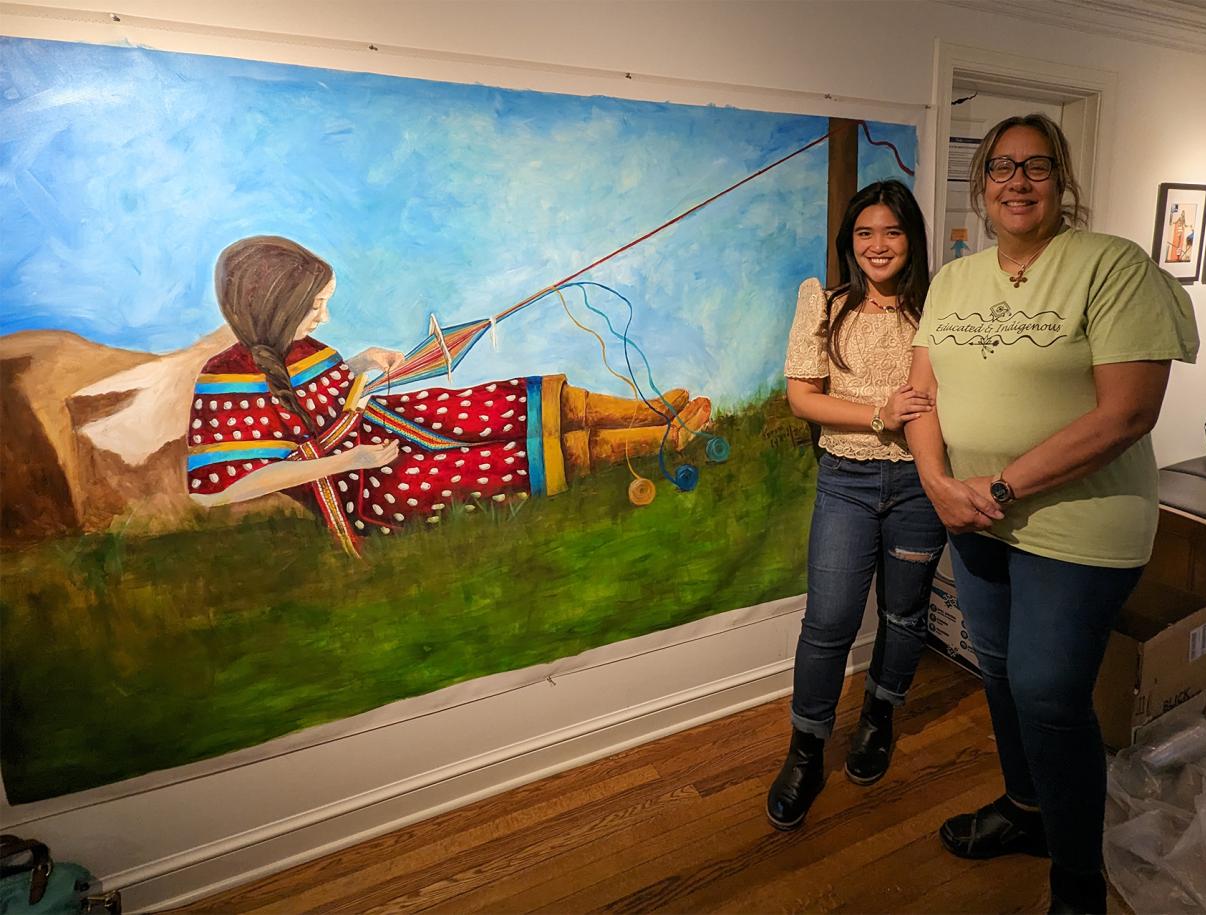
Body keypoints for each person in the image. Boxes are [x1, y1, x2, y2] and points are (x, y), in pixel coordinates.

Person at [905, 114, 1199, 914]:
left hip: (1081, 524)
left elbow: (1127, 414)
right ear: (982, 183)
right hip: (971, 518)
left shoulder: (1112, 266)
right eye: (1002, 167)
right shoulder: (954, 279)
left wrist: (999, 488)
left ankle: (1076, 880)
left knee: (1045, 692)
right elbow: (918, 394)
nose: (1018, 181)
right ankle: (1027, 810)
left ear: (1063, 179)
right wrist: (937, 480)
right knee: (998, 672)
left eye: (1037, 166)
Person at [186, 236, 711, 552]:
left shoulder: (304, 348)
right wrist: (348, 462)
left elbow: (316, 398)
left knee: (487, 404)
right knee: (483, 463)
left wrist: (359, 363)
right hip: (359, 487)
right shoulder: (223, 379)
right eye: (313, 307)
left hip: (377, 430)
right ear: (272, 306)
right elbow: (213, 490)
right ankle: (656, 441)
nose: (323, 318)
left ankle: (642, 412)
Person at [766, 180, 945, 830]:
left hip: (919, 483)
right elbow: (802, 398)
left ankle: (878, 716)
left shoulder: (938, 310)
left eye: (891, 232)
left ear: (911, 240)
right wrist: (879, 411)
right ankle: (806, 748)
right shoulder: (826, 304)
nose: (877, 245)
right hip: (845, 477)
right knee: (829, 620)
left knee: (904, 614)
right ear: (850, 242)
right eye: (864, 233)